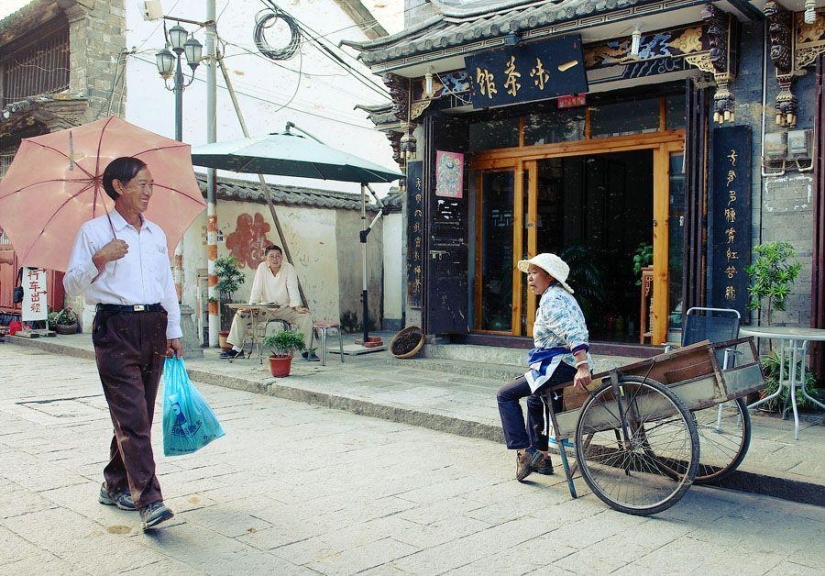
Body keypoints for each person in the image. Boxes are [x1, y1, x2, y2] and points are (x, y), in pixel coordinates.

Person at [64, 157, 180, 530]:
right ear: (119, 186)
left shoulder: (156, 234)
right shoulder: (94, 232)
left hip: (153, 326)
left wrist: (173, 330)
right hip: (115, 327)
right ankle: (149, 500)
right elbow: (71, 285)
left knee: (138, 416)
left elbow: (167, 286)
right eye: (141, 184)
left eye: (151, 184)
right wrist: (100, 258)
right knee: (132, 417)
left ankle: (113, 483)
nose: (149, 192)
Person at [496, 253, 592, 482]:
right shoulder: (562, 296)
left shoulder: (551, 300)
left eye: (534, 273)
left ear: (549, 276)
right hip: (560, 364)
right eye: (528, 274)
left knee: (505, 395)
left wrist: (582, 366)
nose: (529, 278)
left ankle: (524, 452)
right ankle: (543, 459)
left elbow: (574, 332)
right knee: (534, 398)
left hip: (558, 365)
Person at [220, 244, 318, 361]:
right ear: (266, 258)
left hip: (285, 309)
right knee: (241, 314)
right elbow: (256, 289)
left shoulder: (289, 268)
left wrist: (297, 306)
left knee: (305, 316)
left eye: (278, 256)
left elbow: (293, 288)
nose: (275, 259)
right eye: (271, 256)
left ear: (282, 257)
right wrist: (251, 306)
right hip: (265, 309)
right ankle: (237, 349)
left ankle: (308, 350)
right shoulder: (262, 268)